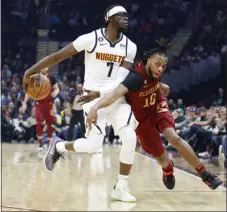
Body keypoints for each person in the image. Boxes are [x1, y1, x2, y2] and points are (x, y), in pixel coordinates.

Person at [23, 5, 140, 202]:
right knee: (93, 146)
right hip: (90, 98)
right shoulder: (91, 39)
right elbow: (58, 56)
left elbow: (121, 80)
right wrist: (30, 71)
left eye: (127, 16)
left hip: (115, 97)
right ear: (110, 18)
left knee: (129, 137)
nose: (126, 18)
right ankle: (58, 147)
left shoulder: (130, 46)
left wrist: (100, 94)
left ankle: (121, 186)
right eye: (121, 15)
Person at [84, 39, 223, 190]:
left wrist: (162, 86)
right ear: (149, 60)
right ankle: (168, 168)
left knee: (174, 137)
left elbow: (156, 82)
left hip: (157, 107)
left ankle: (205, 175)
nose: (160, 69)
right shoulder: (135, 78)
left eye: (163, 67)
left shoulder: (154, 67)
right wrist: (94, 108)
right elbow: (113, 94)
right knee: (162, 158)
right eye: (157, 65)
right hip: (141, 119)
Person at [22, 68, 59, 150]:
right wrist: (24, 103)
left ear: (48, 67)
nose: (44, 68)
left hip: (49, 103)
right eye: (43, 66)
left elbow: (57, 88)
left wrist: (54, 93)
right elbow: (28, 92)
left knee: (49, 123)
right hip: (39, 103)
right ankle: (40, 143)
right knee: (38, 122)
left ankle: (49, 143)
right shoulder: (35, 78)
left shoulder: (51, 78)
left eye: (46, 67)